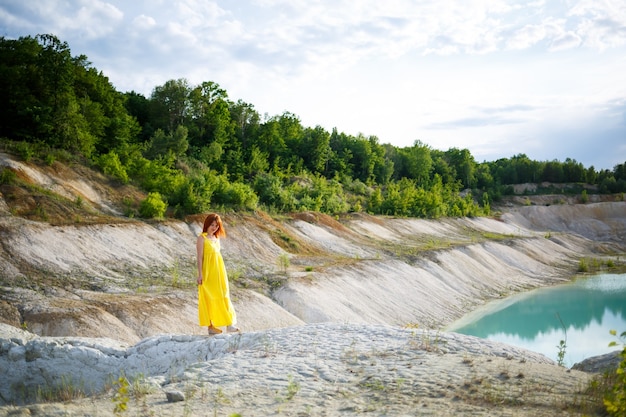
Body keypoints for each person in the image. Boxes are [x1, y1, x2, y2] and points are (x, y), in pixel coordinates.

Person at [196, 213, 239, 334]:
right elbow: (200, 258)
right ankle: (211, 327)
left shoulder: (216, 238)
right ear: (207, 224)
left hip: (219, 271)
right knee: (208, 298)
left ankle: (229, 324)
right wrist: (200, 274)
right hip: (208, 273)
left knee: (224, 295)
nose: (214, 227)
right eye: (212, 225)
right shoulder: (201, 238)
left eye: (216, 225)